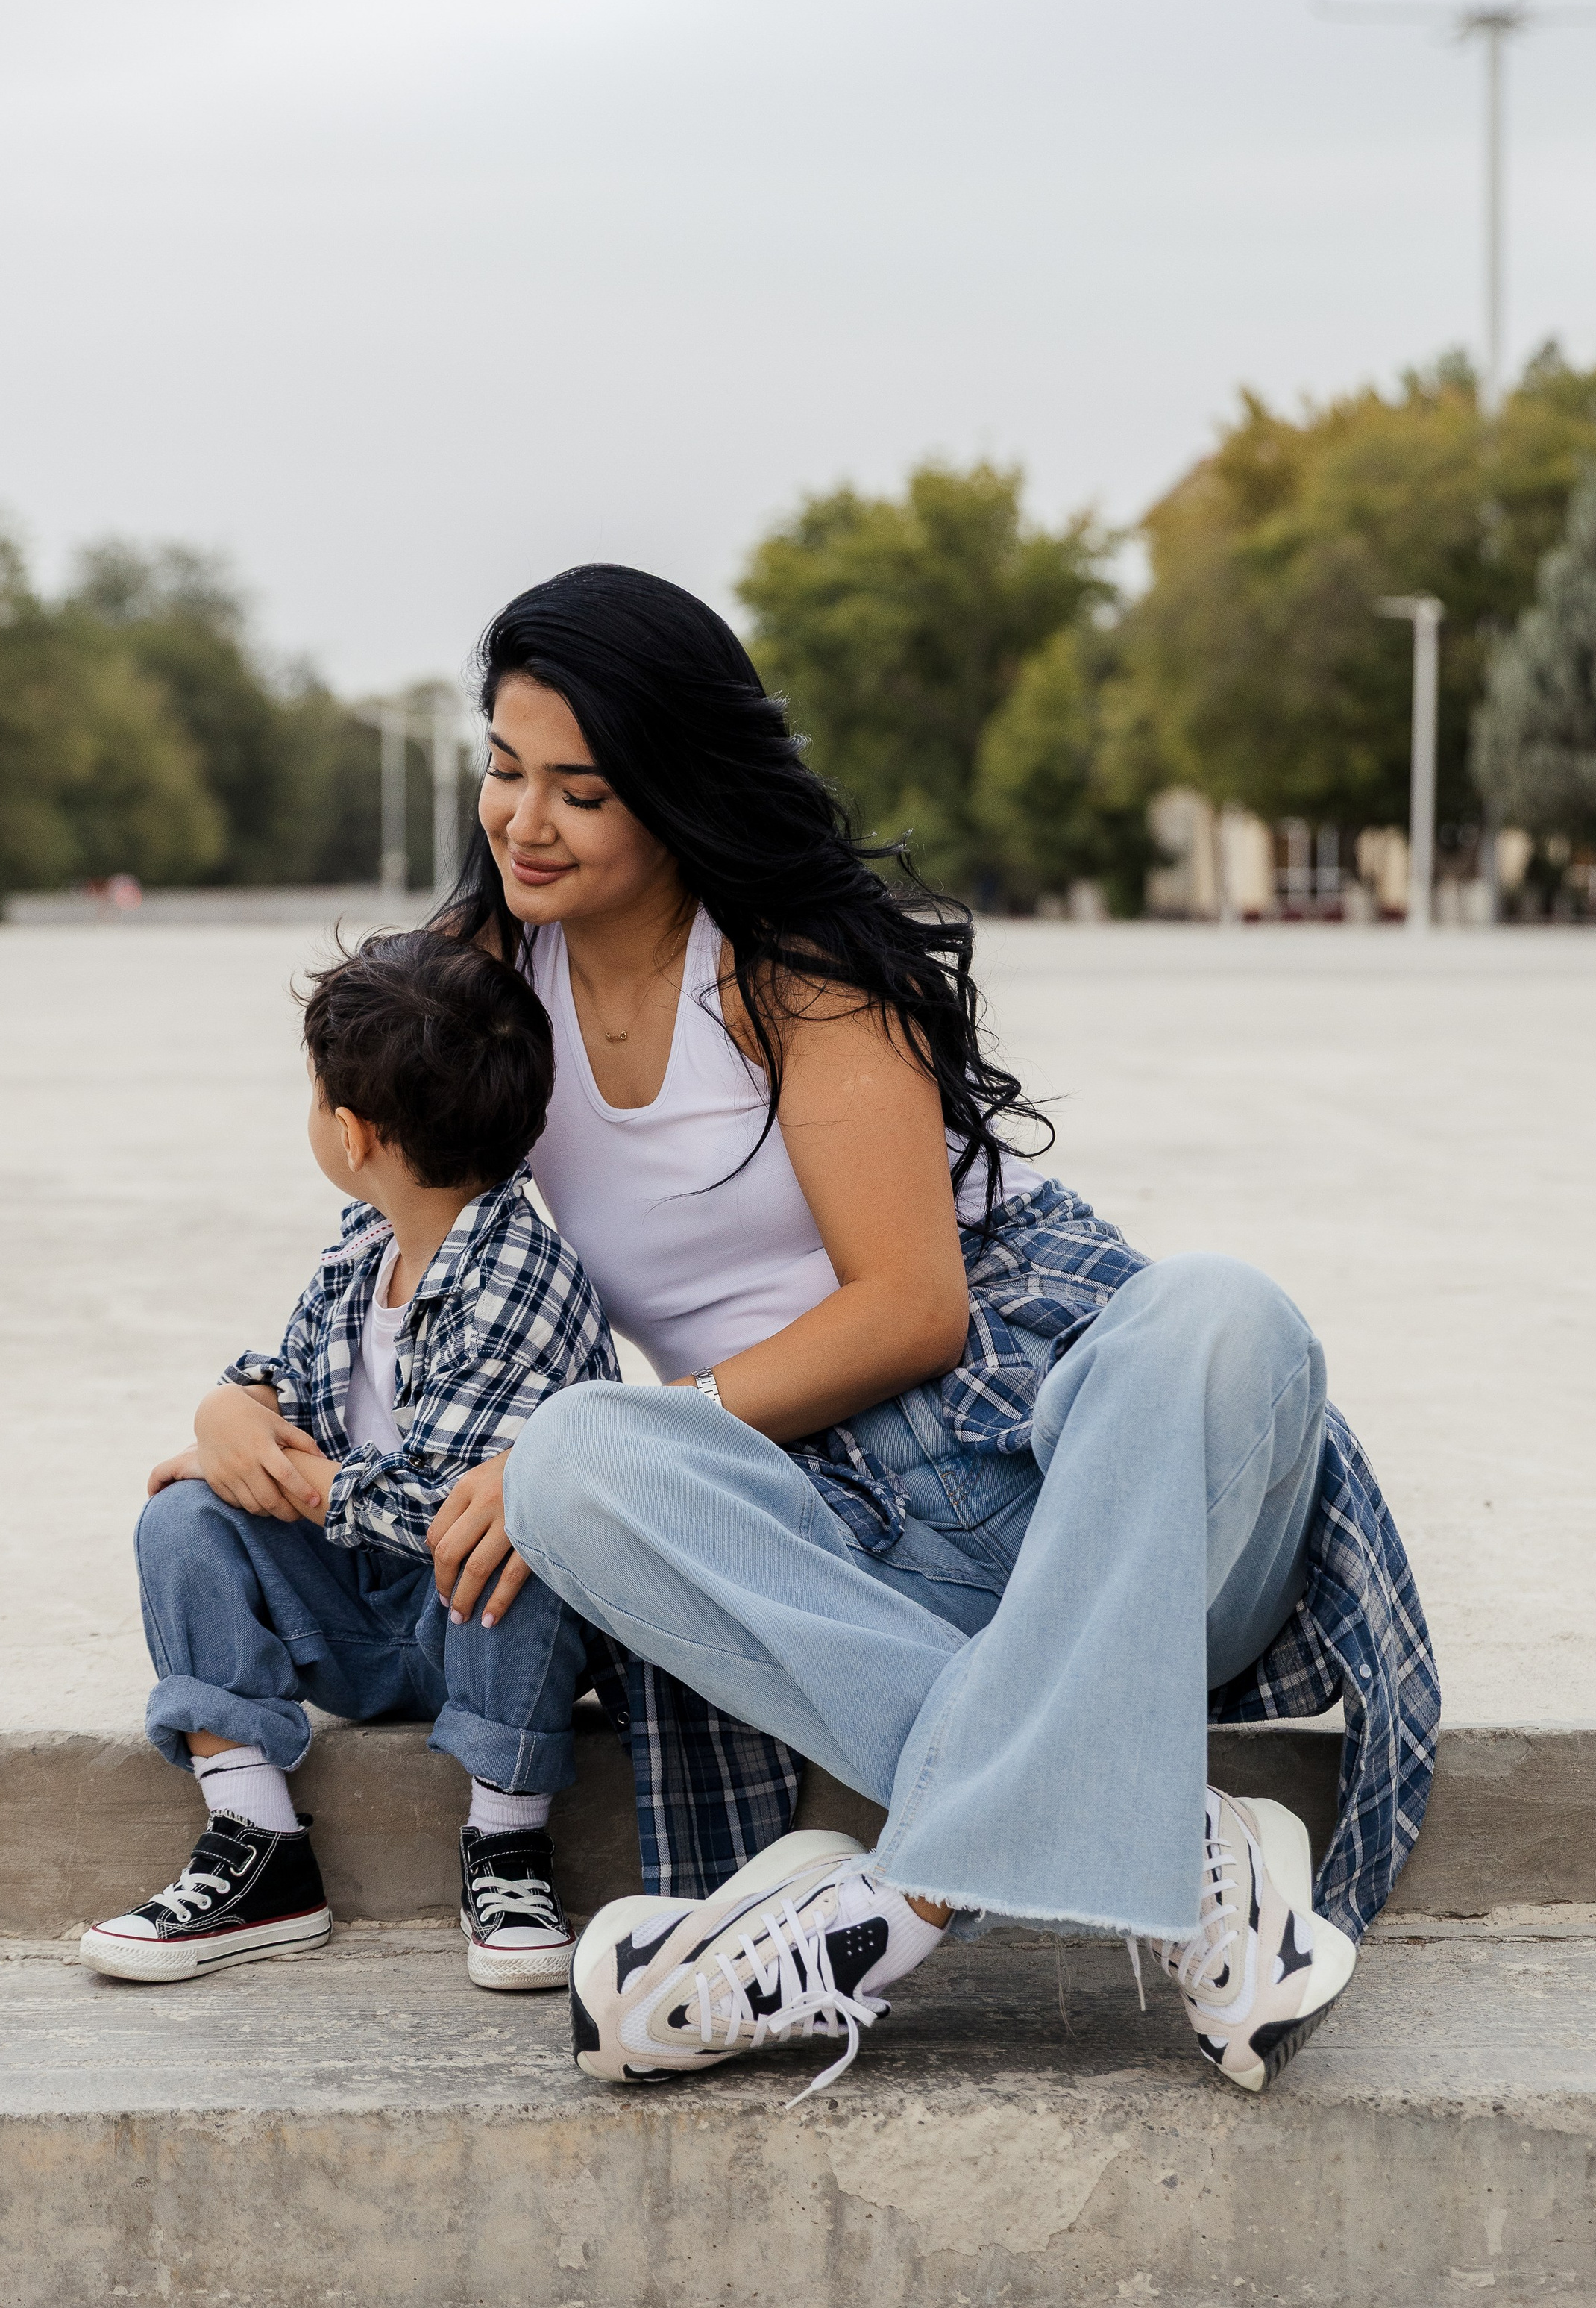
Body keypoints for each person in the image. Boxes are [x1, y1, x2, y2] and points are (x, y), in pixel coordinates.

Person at [422, 562, 1439, 2098]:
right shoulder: (491, 983)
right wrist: (253, 1401)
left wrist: (691, 1409)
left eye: (583, 790)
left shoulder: (791, 970)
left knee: (1224, 1311)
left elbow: (911, 1308)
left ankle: (895, 1911)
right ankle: (1177, 1840)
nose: (525, 821)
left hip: (1079, 1489)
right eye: (506, 770)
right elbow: (394, 1210)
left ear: (677, 793)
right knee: (565, 1461)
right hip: (828, 1545)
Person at [81, 929, 620, 1991]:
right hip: (360, 1605)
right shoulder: (366, 1242)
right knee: (181, 1520)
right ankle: (259, 1844)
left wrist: (297, 1478)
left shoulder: (519, 1276)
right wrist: (233, 1411)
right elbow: (288, 1369)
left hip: (479, 1622)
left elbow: (442, 1507)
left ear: (351, 1131)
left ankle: (508, 1842)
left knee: (523, 1532)